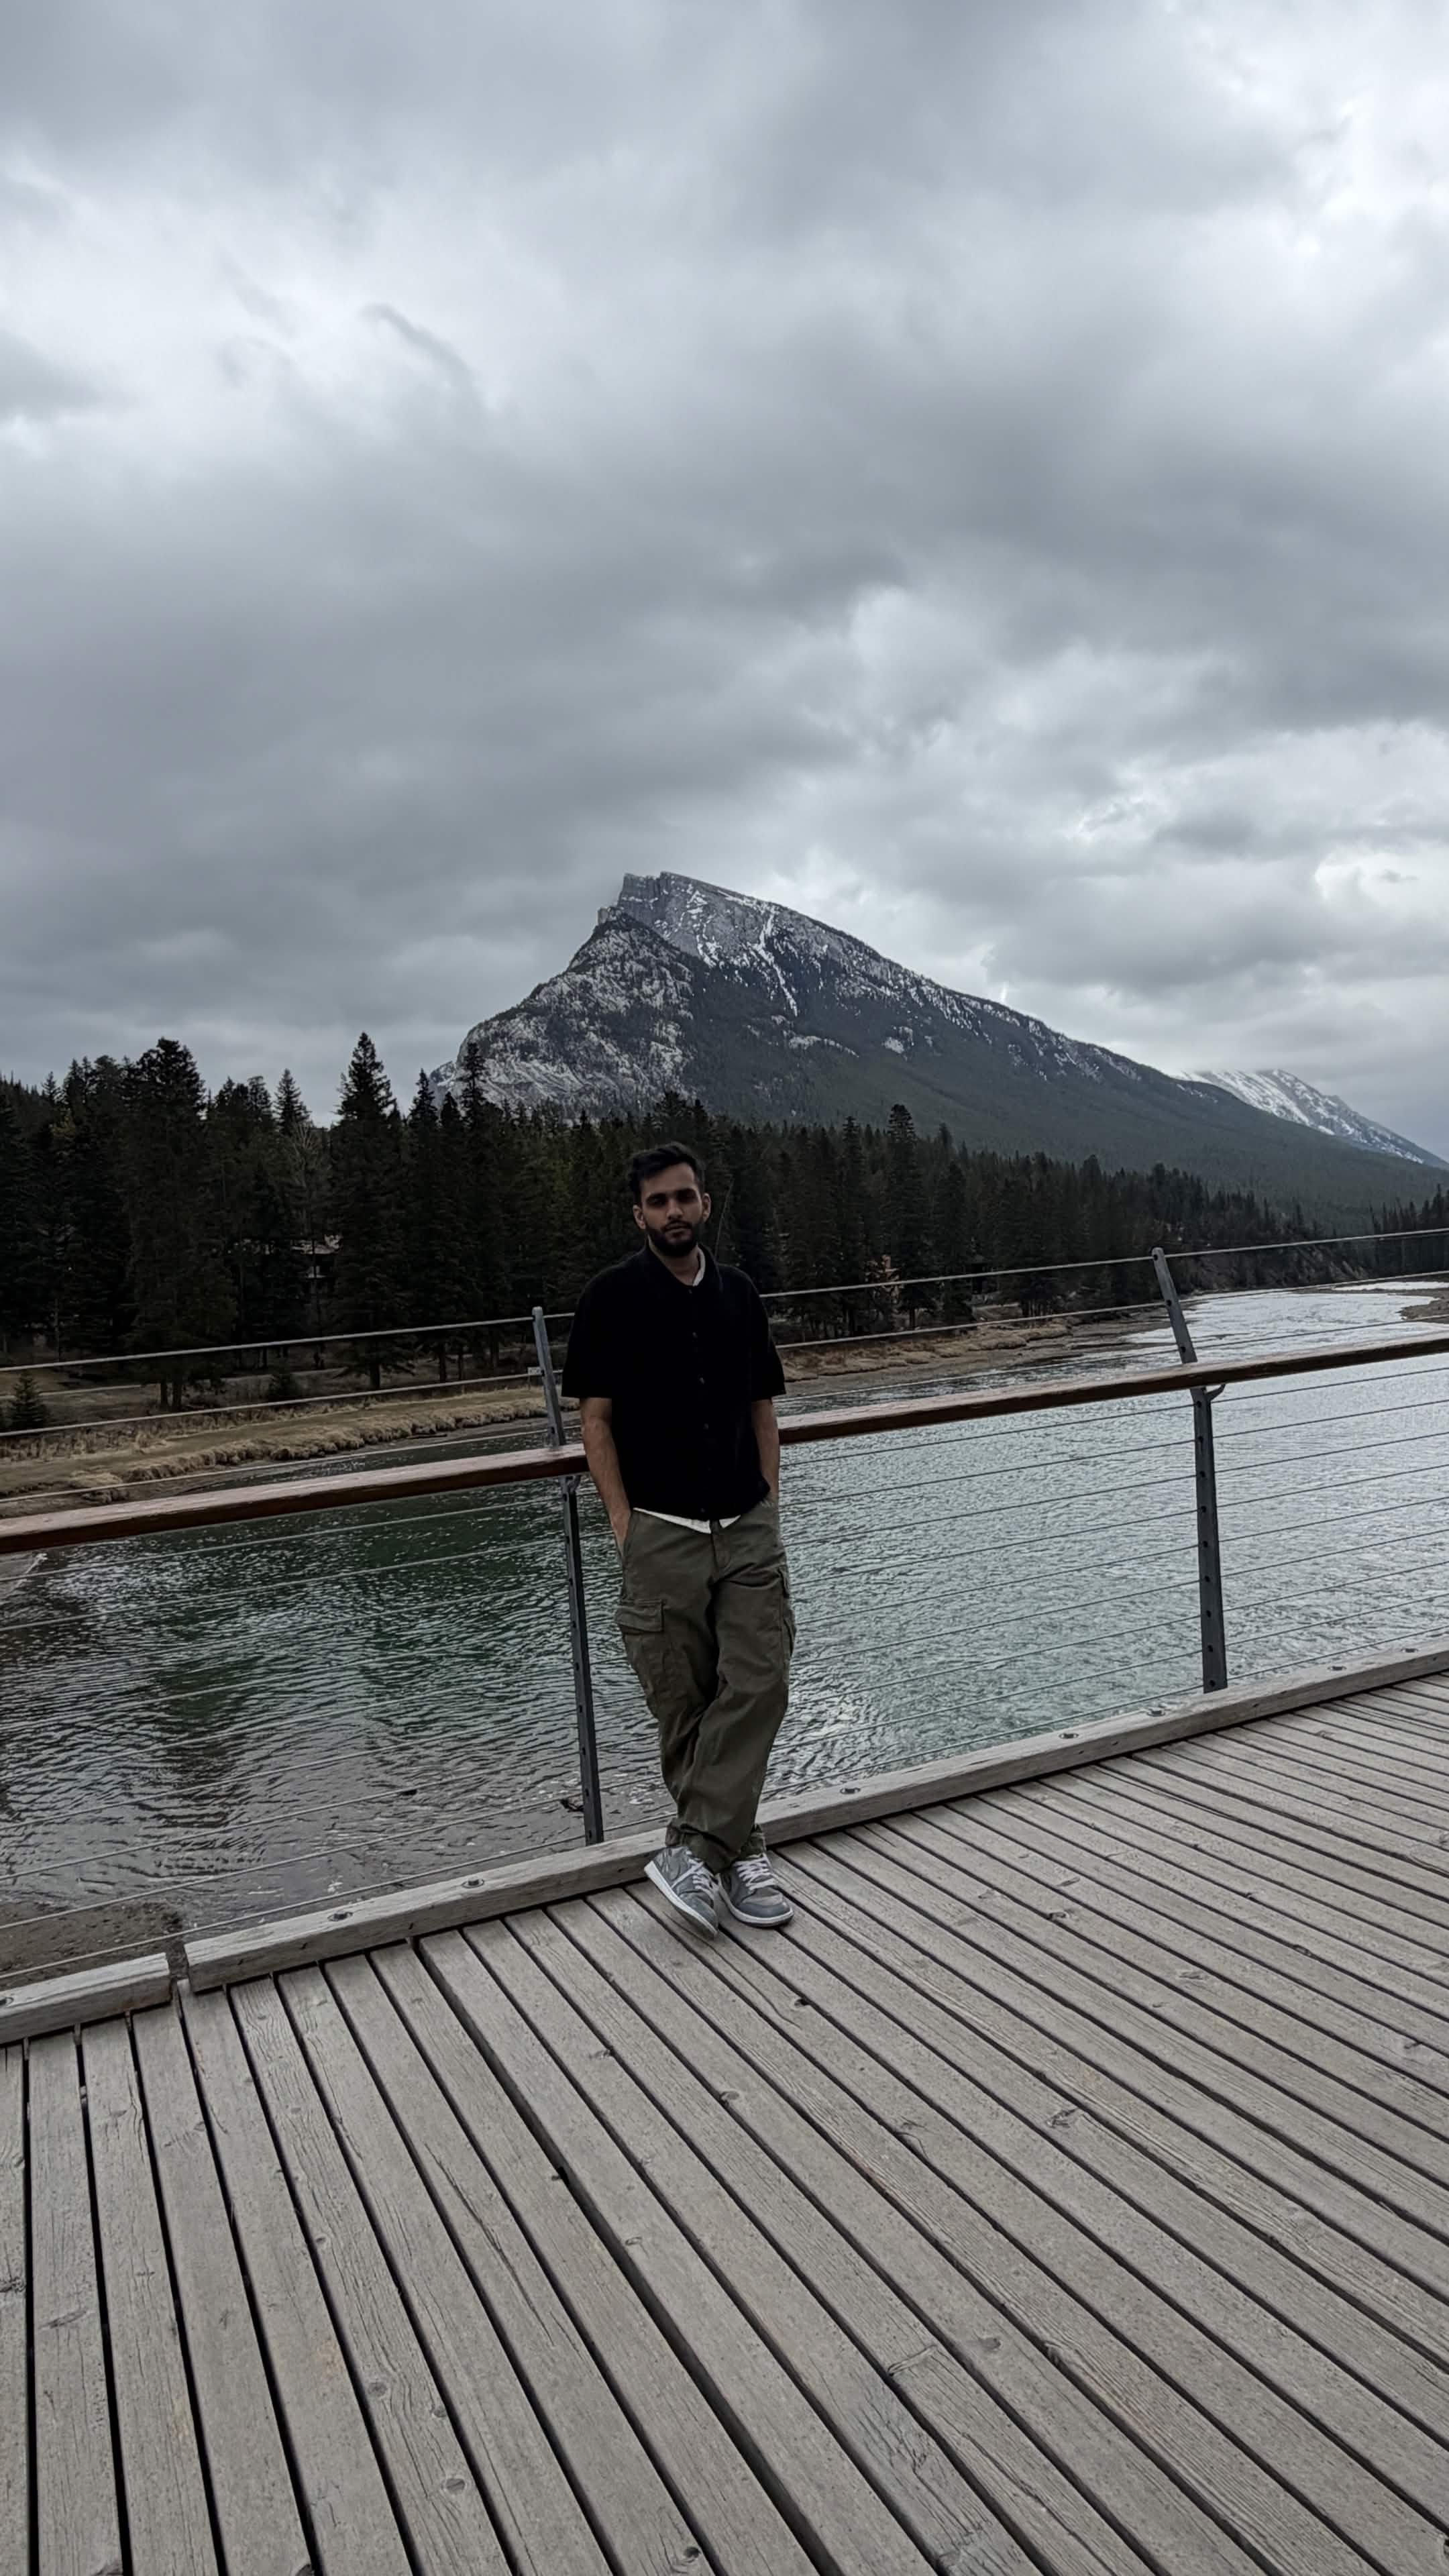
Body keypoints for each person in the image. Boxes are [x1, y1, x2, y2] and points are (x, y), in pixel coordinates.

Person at [562, 1141, 796, 1935]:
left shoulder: (740, 1296)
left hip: (747, 1522)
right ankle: (741, 1851)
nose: (673, 1212)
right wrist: (625, 1526)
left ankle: (696, 1850)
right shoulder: (608, 1300)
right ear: (639, 1214)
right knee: (683, 1701)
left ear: (705, 1204)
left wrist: (766, 1501)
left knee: (761, 1680)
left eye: (684, 1198)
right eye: (658, 1201)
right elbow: (594, 1423)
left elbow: (765, 1408)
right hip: (660, 1529)